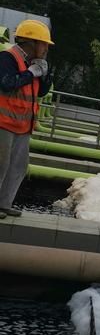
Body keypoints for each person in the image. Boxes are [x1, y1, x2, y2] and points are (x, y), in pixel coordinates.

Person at [0, 19, 54, 218]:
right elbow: (7, 83)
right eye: (44, 43)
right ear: (31, 42)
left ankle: (4, 203)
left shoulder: (32, 63)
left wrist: (45, 76)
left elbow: (39, 93)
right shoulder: (8, 57)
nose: (46, 48)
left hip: (22, 125)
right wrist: (30, 73)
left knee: (18, 167)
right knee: (1, 164)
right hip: (3, 123)